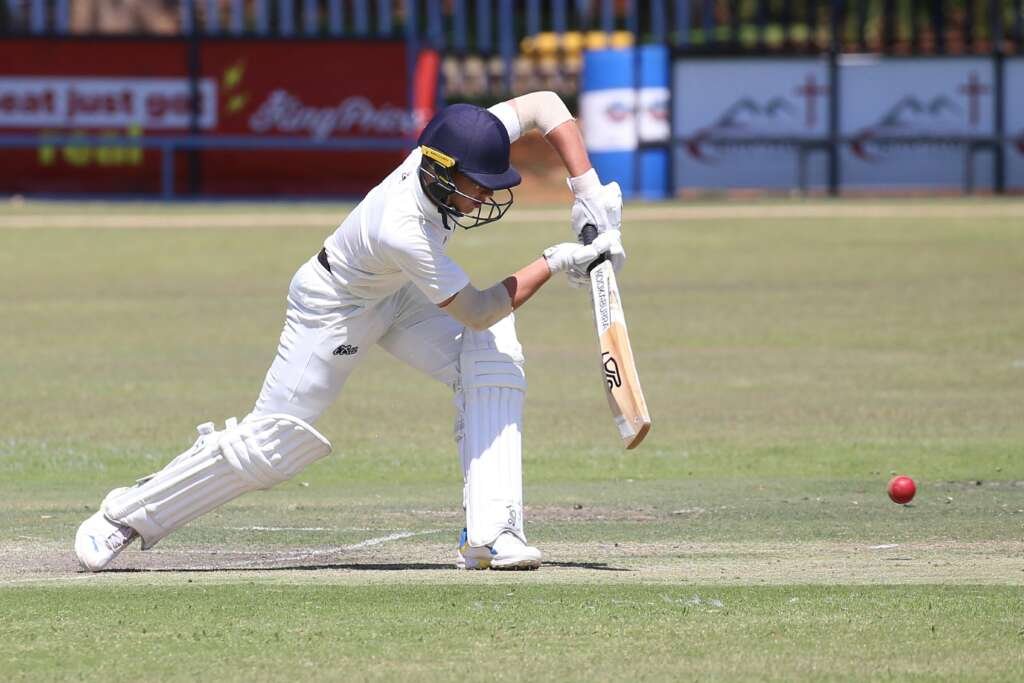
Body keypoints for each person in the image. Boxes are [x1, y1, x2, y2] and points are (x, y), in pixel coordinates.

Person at [74, 92, 625, 572]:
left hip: (397, 292)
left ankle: (491, 533)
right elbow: (477, 308)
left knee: (495, 353)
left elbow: (543, 105)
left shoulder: (457, 142)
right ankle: (126, 515)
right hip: (333, 306)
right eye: (475, 187)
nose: (483, 197)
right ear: (438, 172)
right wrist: (555, 261)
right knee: (275, 442)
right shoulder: (402, 227)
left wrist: (587, 191)